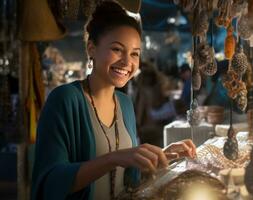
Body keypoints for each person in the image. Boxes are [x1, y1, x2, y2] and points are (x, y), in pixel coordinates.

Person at [31, 2, 196, 200]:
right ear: (91, 48)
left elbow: (128, 177)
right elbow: (49, 184)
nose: (128, 62)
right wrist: (113, 158)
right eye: (117, 49)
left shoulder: (124, 103)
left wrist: (161, 156)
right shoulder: (64, 100)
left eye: (134, 53)